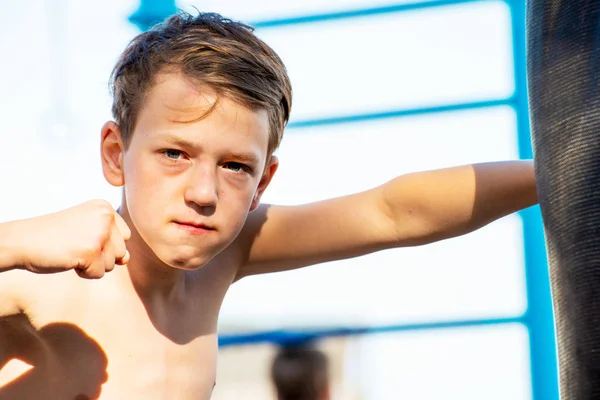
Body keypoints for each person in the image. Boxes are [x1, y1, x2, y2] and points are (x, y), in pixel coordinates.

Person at [0, 11, 537, 400]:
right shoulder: (41, 279)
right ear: (116, 155)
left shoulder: (222, 259)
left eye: (235, 166)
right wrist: (15, 240)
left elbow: (390, 212)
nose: (204, 193)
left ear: (263, 180)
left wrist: (561, 172)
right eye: (174, 154)